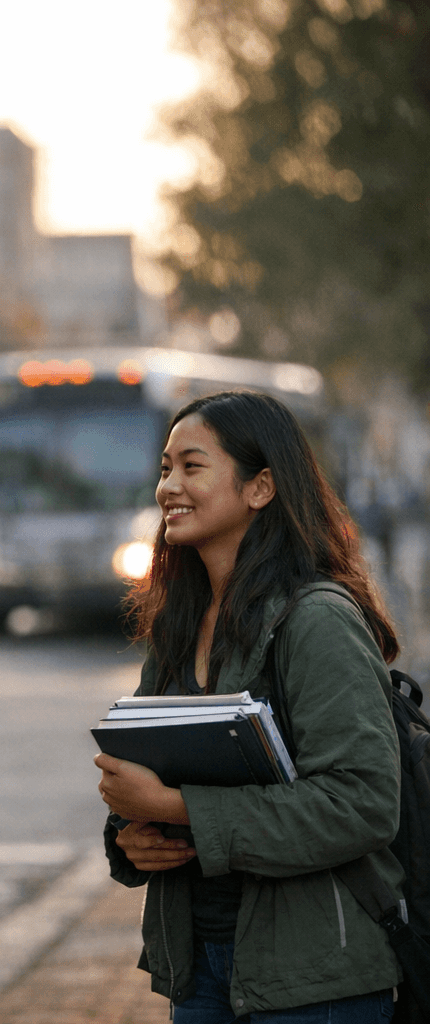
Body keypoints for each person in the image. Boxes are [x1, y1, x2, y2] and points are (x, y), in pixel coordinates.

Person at [95, 390, 402, 1022]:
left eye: (192, 466)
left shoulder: (316, 619)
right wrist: (132, 839)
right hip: (201, 968)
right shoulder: (178, 627)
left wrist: (174, 808)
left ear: (260, 487)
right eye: (163, 468)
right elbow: (157, 779)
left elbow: (364, 803)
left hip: (314, 979)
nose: (168, 488)